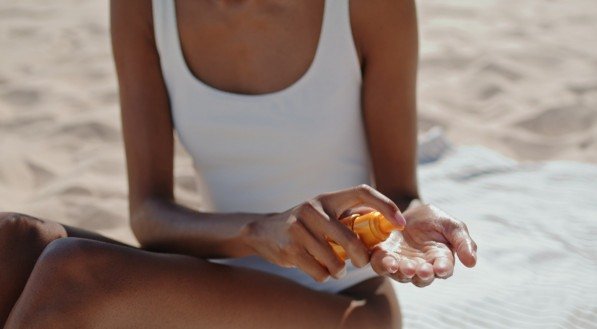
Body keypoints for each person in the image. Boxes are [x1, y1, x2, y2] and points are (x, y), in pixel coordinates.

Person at [1, 0, 477, 328]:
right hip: (223, 281)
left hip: (347, 305)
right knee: (11, 239)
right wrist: (260, 231)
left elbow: (400, 192)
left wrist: (410, 216)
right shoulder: (145, 8)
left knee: (72, 271)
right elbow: (149, 213)